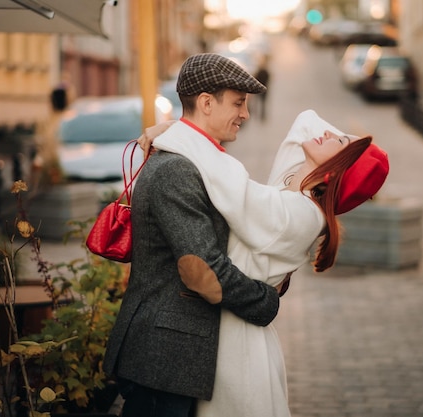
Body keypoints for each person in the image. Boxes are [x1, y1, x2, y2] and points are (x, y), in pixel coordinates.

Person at [140, 109, 389, 416]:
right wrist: (180, 130)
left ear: (335, 171)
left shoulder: (300, 214)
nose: (326, 133)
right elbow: (306, 120)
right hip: (228, 327)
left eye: (338, 140)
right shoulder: (288, 193)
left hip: (237, 345)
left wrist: (176, 130)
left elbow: (226, 177)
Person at [102, 53, 287, 417]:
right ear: (205, 103)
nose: (245, 114)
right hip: (164, 358)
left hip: (173, 358)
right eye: (238, 103)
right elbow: (202, 267)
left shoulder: (190, 160)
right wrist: (265, 300)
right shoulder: (177, 170)